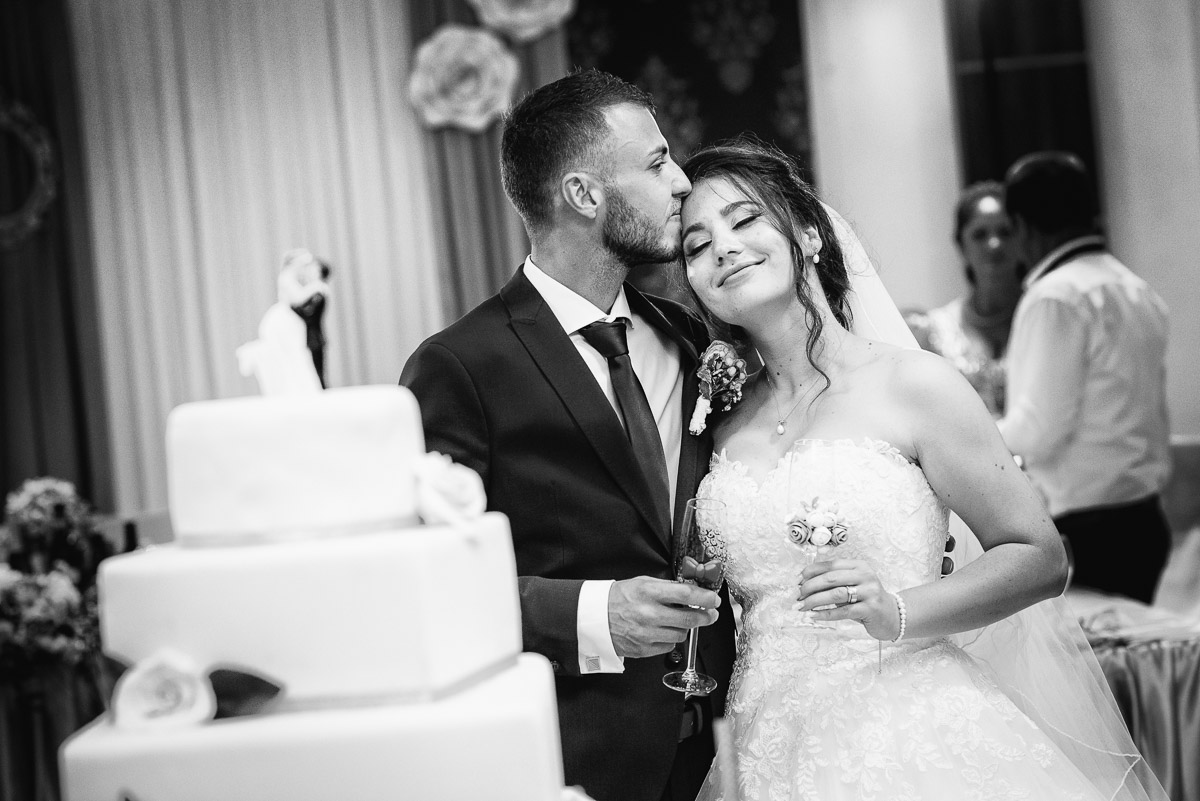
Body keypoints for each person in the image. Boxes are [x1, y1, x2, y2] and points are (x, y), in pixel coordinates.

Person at [676, 139, 1167, 801]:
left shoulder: (915, 384)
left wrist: (897, 610)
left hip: (909, 729)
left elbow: (1039, 556)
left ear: (810, 235)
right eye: (697, 244)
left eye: (744, 219)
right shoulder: (719, 420)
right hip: (761, 741)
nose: (724, 248)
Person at [400, 70, 736, 801]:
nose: (681, 182)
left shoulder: (686, 336)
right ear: (583, 194)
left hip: (721, 743)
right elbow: (422, 586)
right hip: (575, 757)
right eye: (656, 163)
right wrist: (592, 614)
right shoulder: (460, 365)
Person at [998, 152, 1171, 603]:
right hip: (1144, 515)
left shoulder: (1055, 297)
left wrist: (969, 433)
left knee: (1090, 650)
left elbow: (1038, 431)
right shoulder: (1134, 287)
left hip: (1089, 528)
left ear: (1022, 226)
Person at [905, 181, 1023, 416]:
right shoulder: (935, 329)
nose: (994, 244)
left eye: (1005, 232)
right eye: (980, 235)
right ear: (961, 245)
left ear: (1021, 238)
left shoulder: (1041, 315)